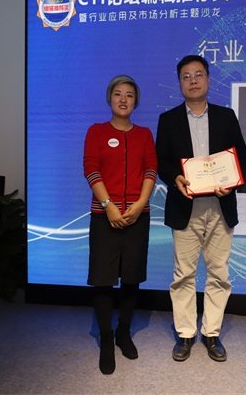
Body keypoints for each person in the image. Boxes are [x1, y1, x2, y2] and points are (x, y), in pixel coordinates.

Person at [155, 55, 246, 363]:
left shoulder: (226, 116)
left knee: (219, 272)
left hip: (221, 204)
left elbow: (241, 157)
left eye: (198, 74)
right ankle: (185, 334)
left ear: (208, 79)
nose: (192, 80)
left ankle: (211, 333)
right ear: (179, 83)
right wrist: (175, 178)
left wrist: (230, 183)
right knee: (183, 274)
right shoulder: (168, 120)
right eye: (186, 76)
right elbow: (161, 161)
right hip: (185, 205)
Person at [83, 75, 157, 375]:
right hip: (104, 216)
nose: (123, 99)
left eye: (129, 94)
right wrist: (109, 206)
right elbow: (91, 168)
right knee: (103, 280)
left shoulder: (144, 134)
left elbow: (151, 169)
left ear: (136, 101)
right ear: (109, 99)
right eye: (118, 94)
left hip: (138, 216)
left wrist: (139, 205)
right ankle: (106, 336)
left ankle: (123, 332)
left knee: (131, 278)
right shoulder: (97, 131)